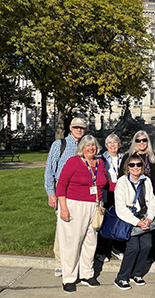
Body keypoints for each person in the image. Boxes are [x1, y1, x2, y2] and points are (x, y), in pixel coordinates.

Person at [56, 135, 108, 293]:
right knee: (72, 242)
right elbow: (61, 185)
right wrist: (63, 208)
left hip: (95, 205)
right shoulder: (73, 161)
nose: (91, 148)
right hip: (75, 205)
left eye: (93, 146)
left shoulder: (99, 162)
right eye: (87, 146)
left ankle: (87, 273)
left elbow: (105, 183)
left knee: (90, 241)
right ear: (82, 148)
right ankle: (69, 277)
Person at [44, 117, 86, 277]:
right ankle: (60, 262)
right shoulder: (59, 145)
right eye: (76, 127)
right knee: (63, 227)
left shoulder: (86, 145)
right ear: (70, 128)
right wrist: (50, 193)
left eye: (81, 128)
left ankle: (76, 260)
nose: (78, 130)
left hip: (80, 192)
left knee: (79, 227)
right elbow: (49, 170)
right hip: (63, 191)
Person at [113, 154, 155, 290]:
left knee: (146, 246)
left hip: (145, 218)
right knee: (133, 248)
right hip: (130, 220)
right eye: (132, 165)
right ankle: (121, 277)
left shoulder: (146, 181)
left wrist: (149, 218)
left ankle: (136, 274)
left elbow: (152, 201)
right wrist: (137, 222)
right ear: (127, 167)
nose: (135, 167)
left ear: (142, 167)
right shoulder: (122, 182)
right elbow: (120, 208)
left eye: (138, 164)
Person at [120, 131, 155, 261]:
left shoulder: (153, 158)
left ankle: (150, 253)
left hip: (150, 195)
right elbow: (122, 176)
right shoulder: (129, 157)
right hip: (133, 197)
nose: (141, 143)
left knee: (150, 225)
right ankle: (129, 250)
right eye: (138, 140)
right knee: (132, 226)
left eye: (144, 140)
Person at [96, 133, 124, 263]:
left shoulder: (123, 158)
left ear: (119, 144)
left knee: (118, 221)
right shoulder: (101, 159)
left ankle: (116, 248)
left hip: (120, 193)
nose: (113, 145)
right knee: (104, 221)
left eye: (115, 143)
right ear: (106, 146)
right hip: (107, 192)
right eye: (110, 143)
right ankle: (101, 251)